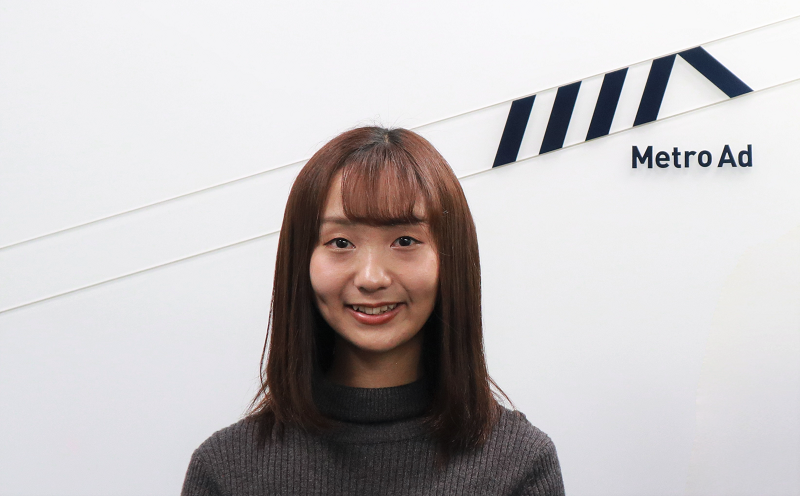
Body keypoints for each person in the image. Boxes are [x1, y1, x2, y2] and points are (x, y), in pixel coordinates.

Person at [181, 126, 565, 495]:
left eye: (405, 241)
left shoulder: (518, 463)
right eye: (341, 242)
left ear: (451, 259)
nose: (371, 277)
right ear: (301, 261)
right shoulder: (226, 470)